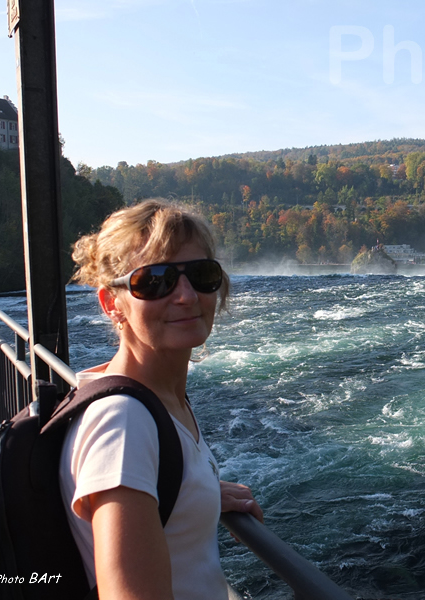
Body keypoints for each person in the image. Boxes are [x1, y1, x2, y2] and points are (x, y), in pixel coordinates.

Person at [61, 199, 262, 599]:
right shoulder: (123, 423)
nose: (186, 296)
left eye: (201, 275)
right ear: (111, 304)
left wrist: (197, 493)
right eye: (155, 281)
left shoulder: (158, 399)